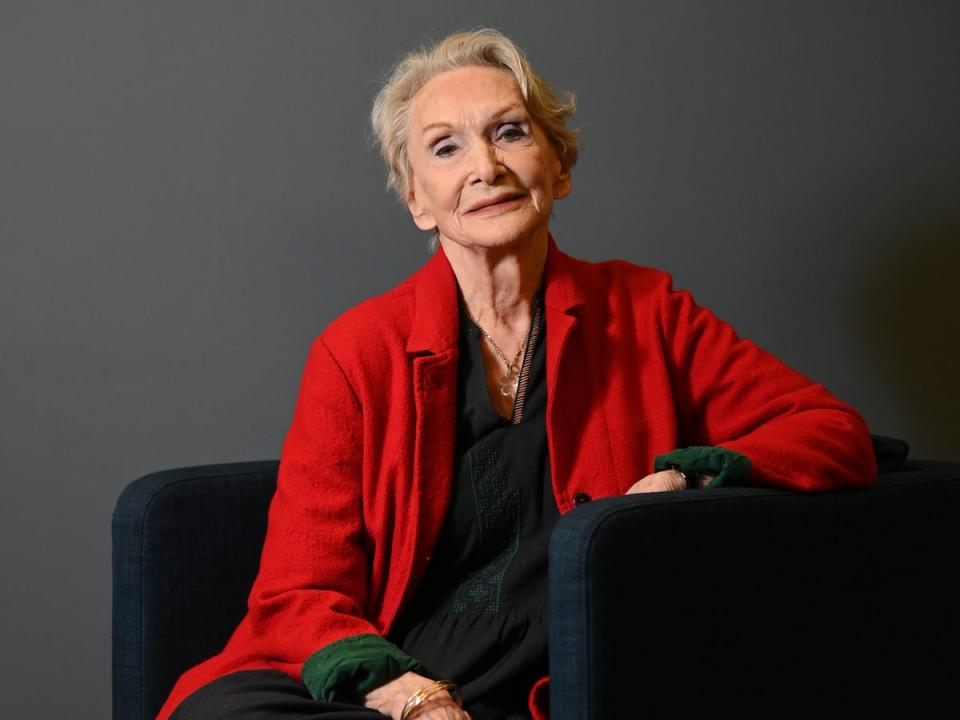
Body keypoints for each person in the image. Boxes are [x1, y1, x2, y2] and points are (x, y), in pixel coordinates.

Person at [157, 28, 876, 720]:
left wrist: (684, 477)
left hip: (549, 676)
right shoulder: (356, 351)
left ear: (557, 167)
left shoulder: (647, 310)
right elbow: (298, 590)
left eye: (509, 132)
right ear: (417, 200)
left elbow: (833, 432)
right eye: (446, 148)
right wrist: (413, 697)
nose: (485, 167)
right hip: (383, 679)